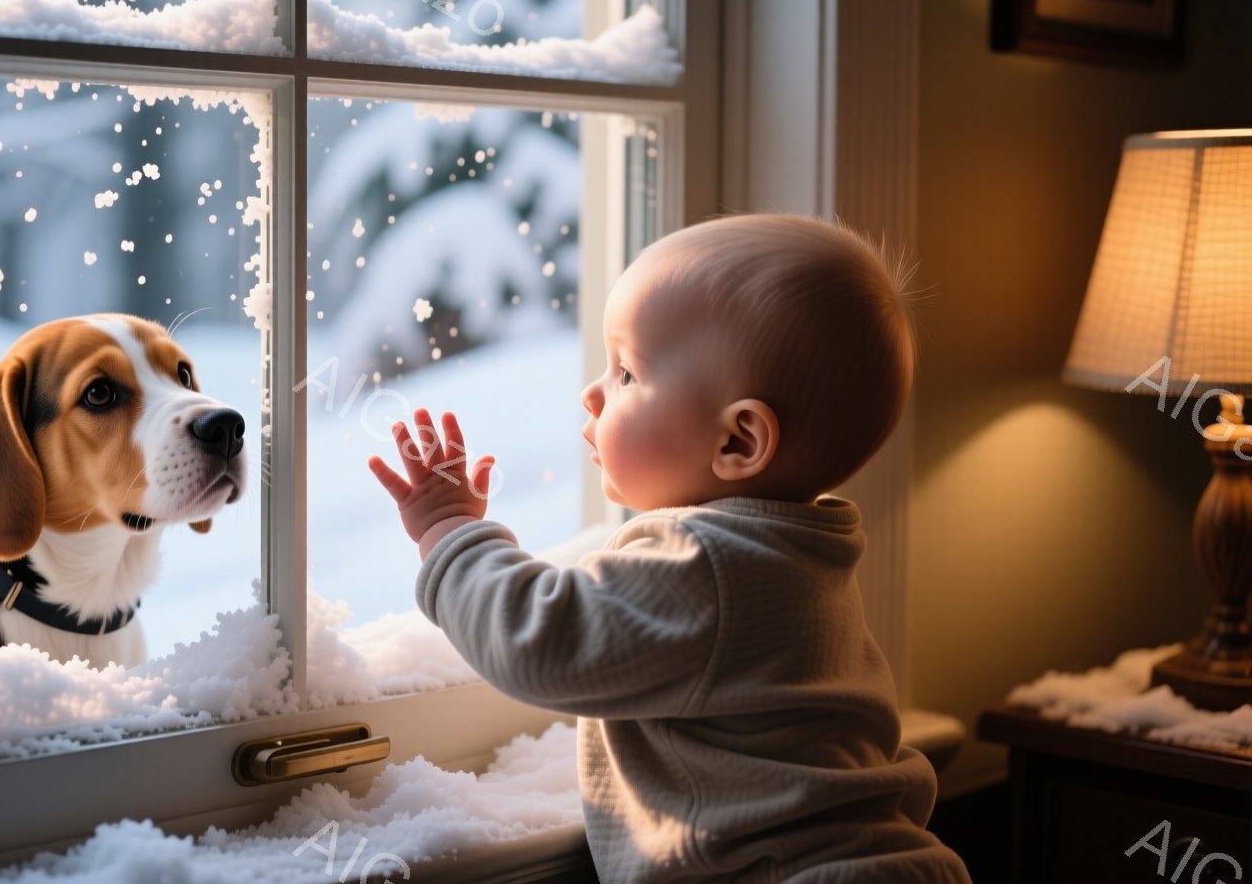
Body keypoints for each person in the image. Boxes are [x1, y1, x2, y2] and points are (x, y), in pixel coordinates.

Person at [368, 213, 972, 882]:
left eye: (626, 373)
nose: (592, 393)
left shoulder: (709, 564)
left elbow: (538, 639)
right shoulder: (805, 556)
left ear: (738, 441)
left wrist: (451, 530)